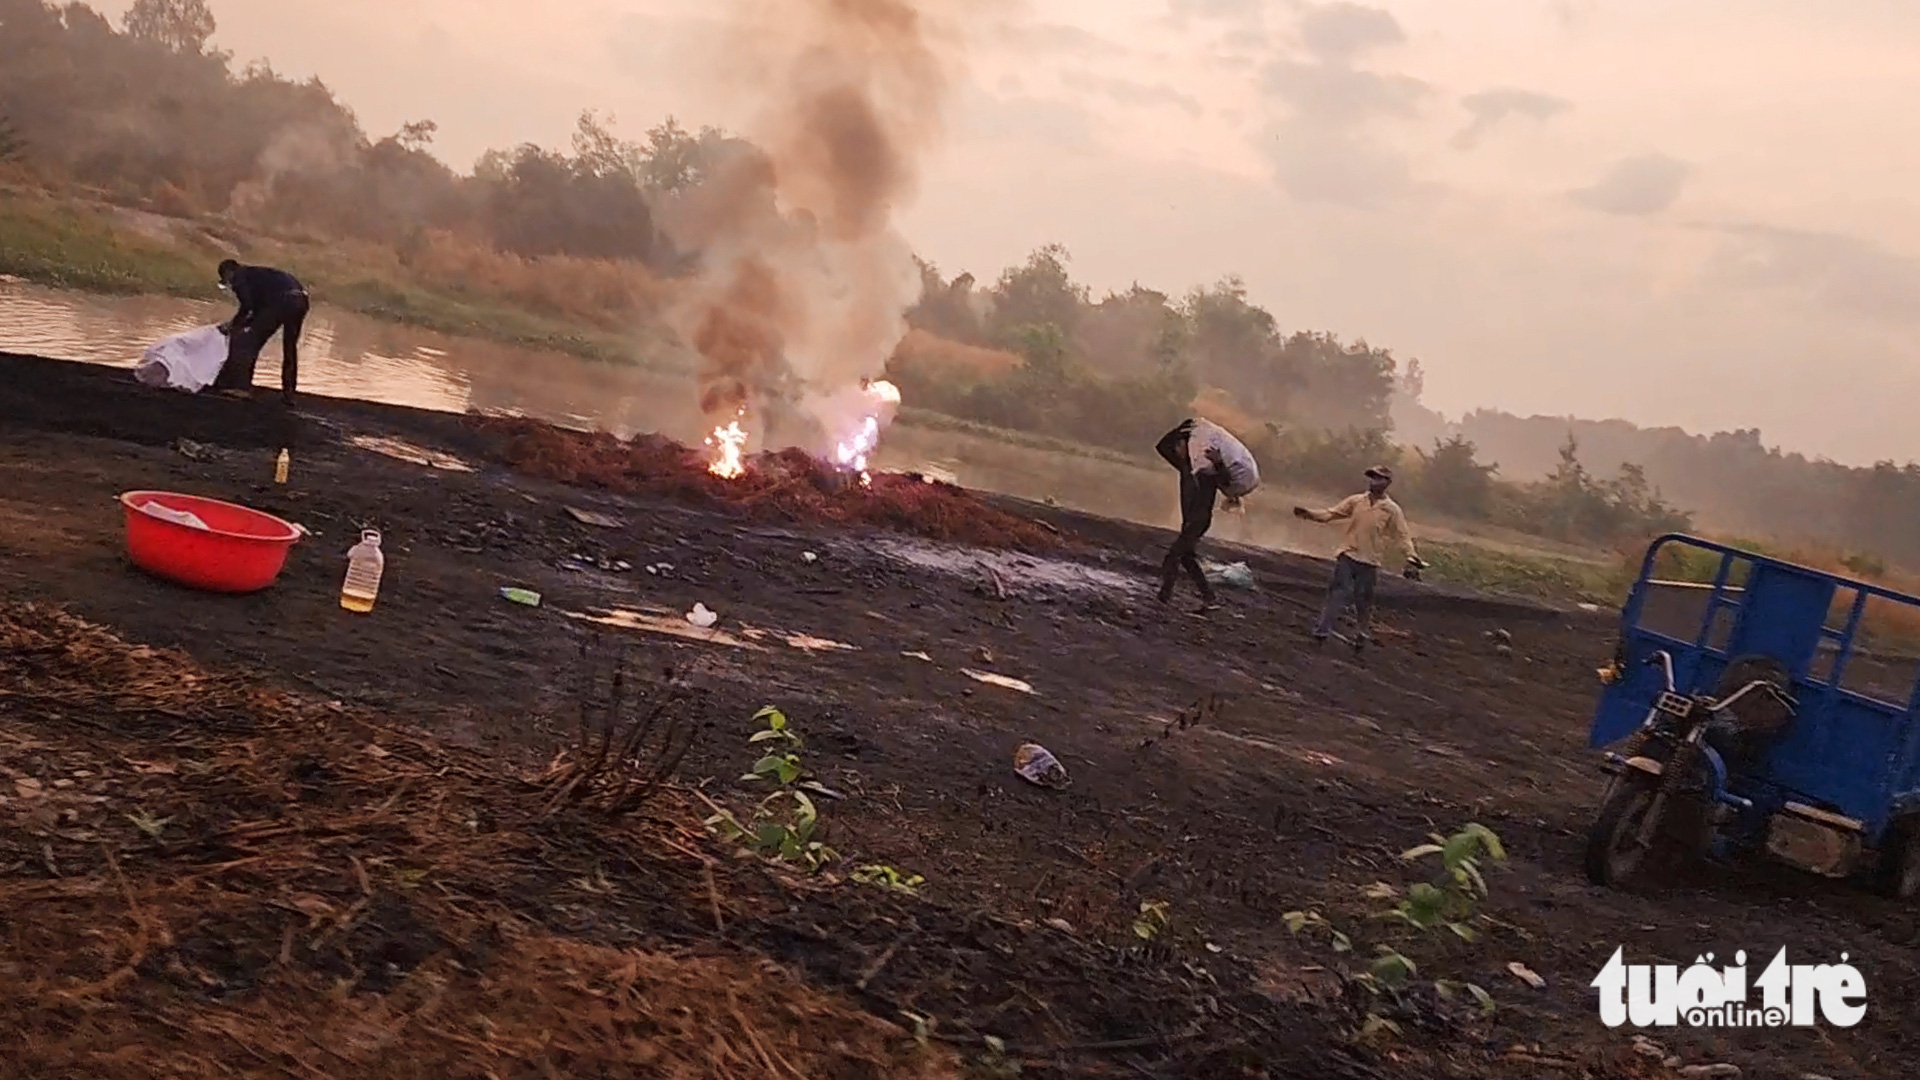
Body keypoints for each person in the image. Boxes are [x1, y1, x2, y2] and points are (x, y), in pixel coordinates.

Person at [1294, 465, 1425, 651]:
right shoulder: (1356, 501)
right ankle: (1322, 631)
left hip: (1370, 561)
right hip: (1348, 555)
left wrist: (1411, 556)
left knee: (1363, 600)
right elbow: (1332, 514)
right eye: (1372, 478)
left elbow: (1402, 536)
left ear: (1387, 483)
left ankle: (1362, 632)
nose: (1374, 481)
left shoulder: (1391, 510)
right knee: (1338, 592)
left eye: (1379, 478)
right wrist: (1310, 514)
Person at [1154, 417, 1260, 610]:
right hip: (1193, 520)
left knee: (1173, 557)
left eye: (1178, 446)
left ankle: (1163, 598)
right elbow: (1161, 447)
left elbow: (1226, 481)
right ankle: (1209, 597)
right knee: (1186, 557)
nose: (1176, 451)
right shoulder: (1189, 469)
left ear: (1184, 445)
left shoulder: (1204, 471)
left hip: (1199, 520)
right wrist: (1185, 426)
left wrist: (1219, 463)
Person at [209, 259, 309, 404]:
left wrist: (232, 326)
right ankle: (289, 394)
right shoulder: (257, 275)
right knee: (290, 349)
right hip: (301, 300)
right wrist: (243, 323)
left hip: (282, 302)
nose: (230, 285)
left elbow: (247, 307)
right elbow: (257, 311)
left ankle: (241, 387)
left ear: (228, 272)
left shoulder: (240, 276)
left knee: (247, 341)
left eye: (226, 280)